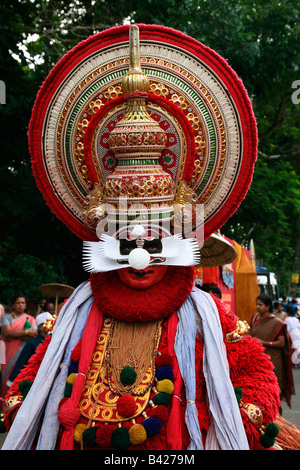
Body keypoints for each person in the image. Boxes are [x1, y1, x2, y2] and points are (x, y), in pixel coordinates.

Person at [2, 24, 299, 451]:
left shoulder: (207, 315)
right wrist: (23, 402)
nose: (140, 258)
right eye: (125, 245)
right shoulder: (75, 314)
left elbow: (254, 371)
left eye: (154, 244)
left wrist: (241, 414)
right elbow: (39, 368)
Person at [250, 294, 294, 410]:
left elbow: (282, 343)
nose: (258, 307)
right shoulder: (255, 318)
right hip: (256, 359)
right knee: (257, 391)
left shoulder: (277, 323)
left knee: (272, 391)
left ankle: (276, 416)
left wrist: (264, 342)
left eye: (261, 305)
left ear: (268, 306)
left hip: (273, 360)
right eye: (257, 304)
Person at [0, 296, 37, 398]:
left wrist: (13, 334)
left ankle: (12, 403)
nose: (21, 305)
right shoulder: (6, 317)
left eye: (23, 303)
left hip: (22, 352)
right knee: (4, 375)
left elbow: (34, 334)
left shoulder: (31, 318)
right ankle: (2, 404)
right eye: (18, 303)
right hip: (6, 351)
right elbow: (7, 331)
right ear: (13, 305)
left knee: (17, 375)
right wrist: (26, 332)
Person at [6, 312, 53, 387]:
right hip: (34, 380)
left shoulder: (55, 341)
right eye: (49, 323)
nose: (52, 325)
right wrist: (12, 381)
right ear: (40, 327)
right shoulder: (32, 343)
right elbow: (21, 362)